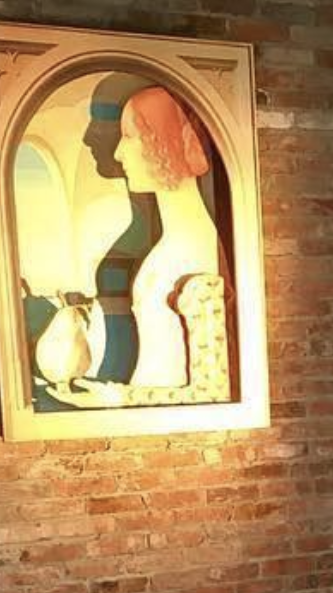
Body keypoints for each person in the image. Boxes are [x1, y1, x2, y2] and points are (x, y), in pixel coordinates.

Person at [60, 84, 231, 406]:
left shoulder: (194, 251)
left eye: (129, 136)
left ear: (163, 141)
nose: (118, 153)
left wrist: (117, 398)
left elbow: (212, 390)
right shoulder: (171, 246)